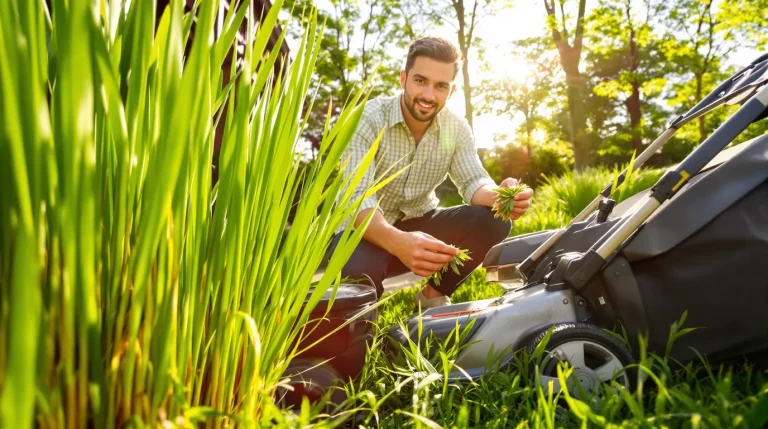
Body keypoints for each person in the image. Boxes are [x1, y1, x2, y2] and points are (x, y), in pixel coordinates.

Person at [330, 36, 534, 309]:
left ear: (450, 93)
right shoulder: (368, 118)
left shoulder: (456, 128)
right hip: (363, 232)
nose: (428, 95)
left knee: (494, 220)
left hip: (420, 224)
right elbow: (356, 199)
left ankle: (432, 296)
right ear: (403, 79)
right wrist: (398, 242)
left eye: (440, 86)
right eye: (420, 81)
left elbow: (473, 180)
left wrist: (501, 196)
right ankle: (365, 318)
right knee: (359, 277)